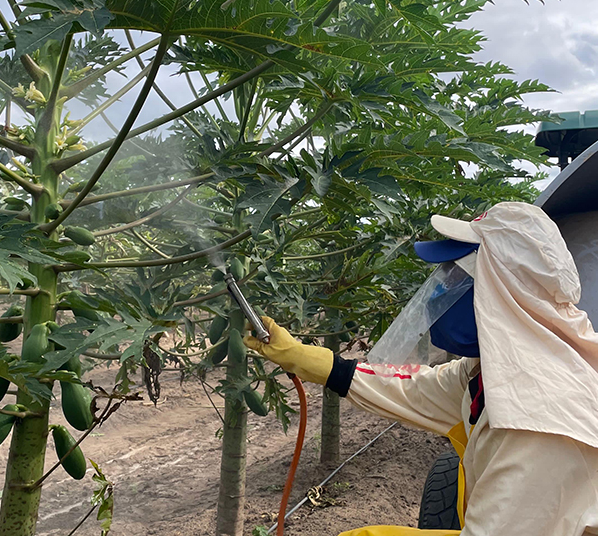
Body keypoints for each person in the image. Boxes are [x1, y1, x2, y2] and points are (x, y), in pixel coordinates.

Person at [245, 202, 598, 536]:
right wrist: (302, 357)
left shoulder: (540, 425)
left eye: (457, 279)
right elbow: (413, 387)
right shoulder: (491, 375)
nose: (441, 292)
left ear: (501, 293)